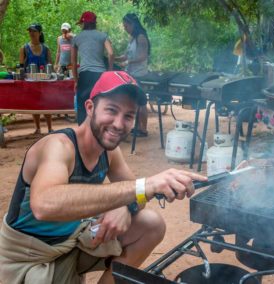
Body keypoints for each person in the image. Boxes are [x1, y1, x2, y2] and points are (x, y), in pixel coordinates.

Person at [0, 71, 207, 283]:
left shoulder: (108, 152)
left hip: (71, 242)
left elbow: (137, 197)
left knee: (150, 224)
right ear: (90, 108)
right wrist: (144, 186)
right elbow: (44, 205)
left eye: (128, 116)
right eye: (111, 110)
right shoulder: (59, 146)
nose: (118, 124)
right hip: (28, 257)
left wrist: (125, 206)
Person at [72, 11, 114, 125]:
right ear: (95, 23)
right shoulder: (102, 36)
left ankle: (83, 134)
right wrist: (109, 72)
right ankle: (100, 133)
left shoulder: (77, 38)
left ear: (84, 23)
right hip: (100, 76)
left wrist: (76, 80)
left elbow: (74, 61)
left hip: (84, 76)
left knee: (83, 107)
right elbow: (110, 53)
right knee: (100, 105)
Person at [115, 13, 149, 137]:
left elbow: (143, 56)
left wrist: (128, 62)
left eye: (126, 26)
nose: (125, 29)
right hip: (131, 74)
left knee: (141, 102)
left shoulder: (141, 38)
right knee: (135, 101)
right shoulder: (132, 39)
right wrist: (115, 58)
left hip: (140, 73)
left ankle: (143, 129)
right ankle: (138, 126)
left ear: (133, 24)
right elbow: (126, 55)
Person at [19, 23, 53, 134]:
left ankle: (50, 128)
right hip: (31, 81)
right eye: (30, 31)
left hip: (44, 81)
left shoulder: (46, 48)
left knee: (47, 103)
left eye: (34, 31)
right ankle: (38, 128)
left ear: (40, 33)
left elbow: (50, 65)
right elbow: (21, 66)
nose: (31, 33)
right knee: (34, 104)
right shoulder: (24, 48)